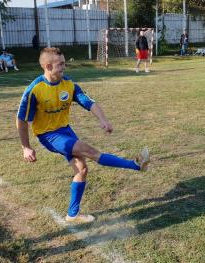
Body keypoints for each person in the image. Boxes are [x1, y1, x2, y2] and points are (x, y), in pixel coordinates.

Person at [16, 47, 150, 224]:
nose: (65, 67)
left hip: (65, 130)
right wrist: (26, 147)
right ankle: (135, 165)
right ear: (48, 66)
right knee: (89, 150)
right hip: (49, 135)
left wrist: (103, 120)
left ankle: (72, 215)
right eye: (61, 64)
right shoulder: (35, 90)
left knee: (82, 169)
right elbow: (21, 120)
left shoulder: (68, 84)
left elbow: (88, 102)